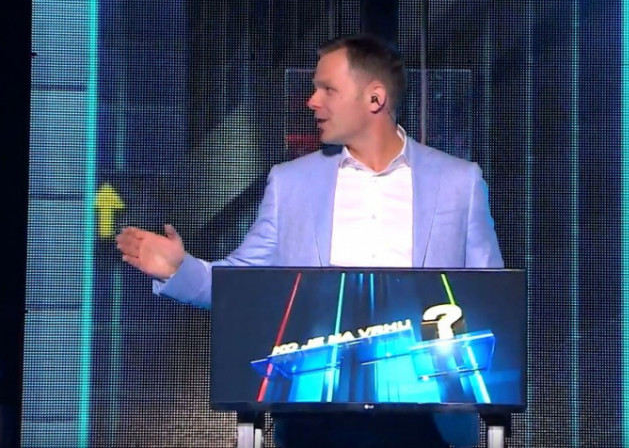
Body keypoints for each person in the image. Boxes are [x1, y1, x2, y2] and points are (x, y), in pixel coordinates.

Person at [116, 34, 503, 447]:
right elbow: (244, 281)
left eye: (327, 89)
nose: (312, 101)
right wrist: (181, 269)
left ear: (375, 98)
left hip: (429, 420)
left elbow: (491, 300)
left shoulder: (459, 182)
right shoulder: (291, 183)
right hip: (313, 418)